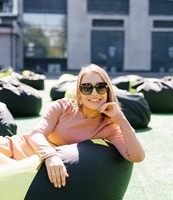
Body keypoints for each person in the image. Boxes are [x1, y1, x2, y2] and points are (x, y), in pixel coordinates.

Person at [0, 64, 145, 188]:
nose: (94, 93)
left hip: (32, 167)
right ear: (79, 93)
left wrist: (120, 118)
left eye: (101, 87)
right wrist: (51, 156)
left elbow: (137, 156)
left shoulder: (109, 127)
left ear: (108, 91)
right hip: (13, 150)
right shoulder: (62, 106)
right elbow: (37, 134)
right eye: (87, 87)